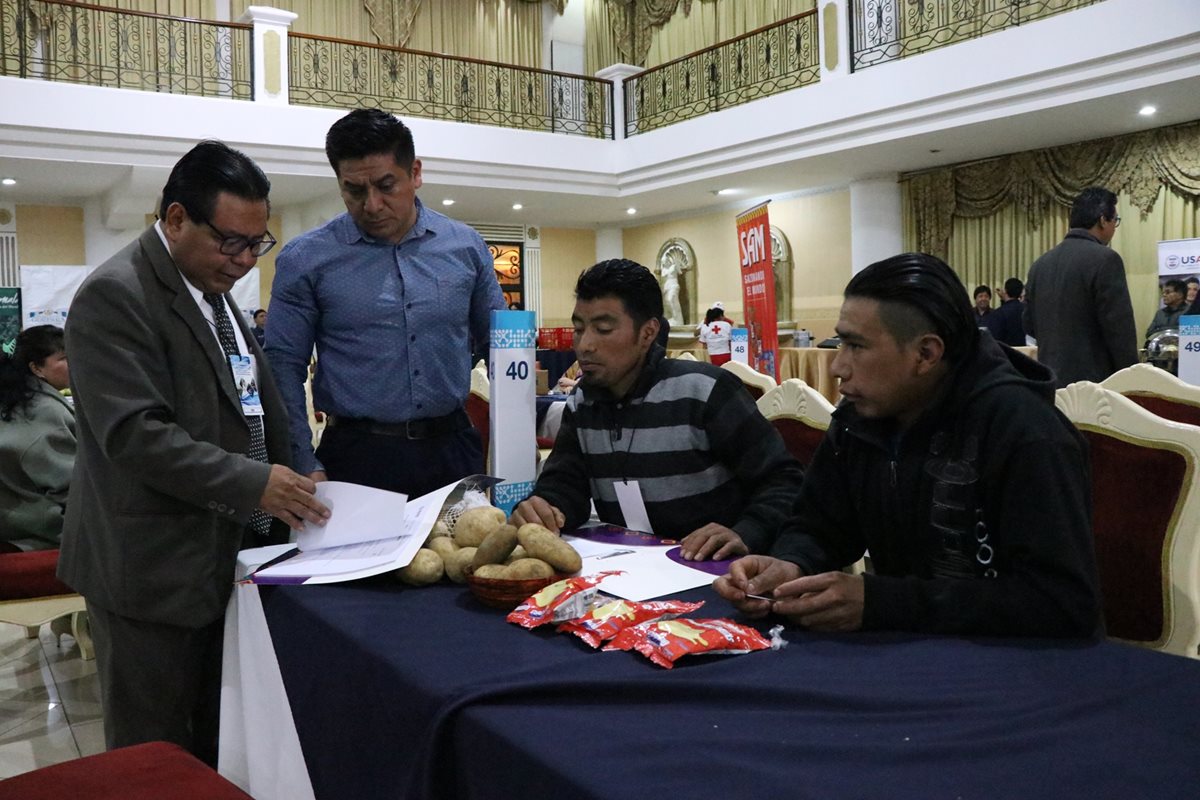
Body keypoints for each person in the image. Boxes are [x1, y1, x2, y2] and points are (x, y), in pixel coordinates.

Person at [57, 141, 331, 764]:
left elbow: (249, 398)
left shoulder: (211, 287)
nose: (244, 260)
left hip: (222, 552)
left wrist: (295, 466)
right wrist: (253, 483)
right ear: (176, 218)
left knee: (214, 738)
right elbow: (134, 435)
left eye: (257, 244)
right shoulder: (115, 294)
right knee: (153, 750)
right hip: (151, 568)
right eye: (231, 242)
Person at [715, 253, 1101, 638]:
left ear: (925, 354)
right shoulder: (860, 419)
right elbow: (820, 525)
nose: (837, 367)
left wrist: (882, 603)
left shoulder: (1025, 430)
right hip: (906, 646)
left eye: (855, 346)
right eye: (840, 343)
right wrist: (790, 564)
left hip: (1014, 663)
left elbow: (1061, 604)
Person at [267, 109, 505, 497]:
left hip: (452, 449)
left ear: (415, 173)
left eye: (386, 185)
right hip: (356, 457)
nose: (372, 204)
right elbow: (282, 366)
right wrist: (302, 460)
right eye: (354, 190)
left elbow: (502, 346)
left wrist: (516, 437)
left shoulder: (465, 246)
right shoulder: (306, 259)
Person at [510, 259, 803, 561]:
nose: (584, 345)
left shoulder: (704, 391)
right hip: (628, 569)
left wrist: (746, 531)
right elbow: (565, 484)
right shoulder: (583, 401)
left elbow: (784, 480)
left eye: (603, 329)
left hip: (713, 569)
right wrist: (546, 507)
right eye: (579, 329)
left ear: (648, 333)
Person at [1024, 186, 1137, 387]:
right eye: (1115, 220)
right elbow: (1120, 333)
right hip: (1095, 387)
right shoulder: (1106, 259)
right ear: (1103, 220)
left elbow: (1029, 325)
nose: (1114, 227)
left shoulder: (1039, 265)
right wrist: (1132, 380)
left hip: (1050, 383)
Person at [0, 325, 75, 551]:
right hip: (43, 533)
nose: (75, 363)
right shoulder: (44, 412)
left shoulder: (17, 400)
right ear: (37, 368)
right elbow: (72, 487)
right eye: (64, 358)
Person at [980, 277, 1026, 347]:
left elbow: (995, 338)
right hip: (1024, 350)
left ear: (1006, 291)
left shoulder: (998, 313)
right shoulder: (1026, 310)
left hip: (1005, 351)